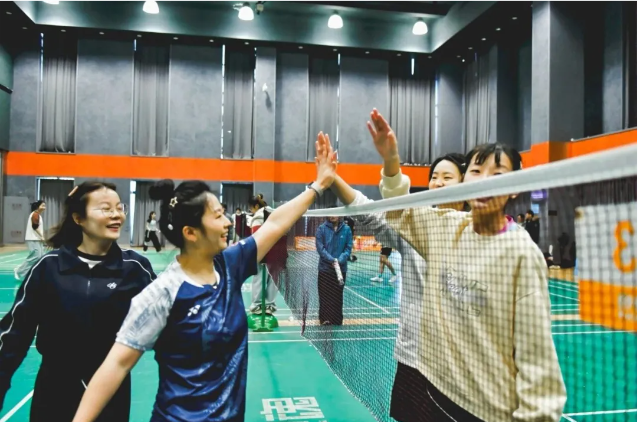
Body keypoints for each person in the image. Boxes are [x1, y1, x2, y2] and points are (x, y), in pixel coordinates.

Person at [71, 133, 337, 422]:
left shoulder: (231, 265)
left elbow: (275, 224)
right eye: (218, 216)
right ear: (191, 232)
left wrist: (318, 185)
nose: (228, 222)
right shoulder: (163, 293)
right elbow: (116, 365)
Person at [368, 108, 566, 422]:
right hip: (434, 391)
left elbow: (536, 354)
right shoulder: (445, 227)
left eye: (497, 175)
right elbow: (400, 211)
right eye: (476, 171)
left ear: (514, 186)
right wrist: (391, 161)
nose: (483, 181)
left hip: (486, 410)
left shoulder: (520, 253)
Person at [328, 135, 467, 421]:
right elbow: (368, 213)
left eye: (447, 177)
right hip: (414, 358)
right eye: (434, 177)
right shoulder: (414, 225)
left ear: (466, 185)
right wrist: (333, 179)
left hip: (460, 364)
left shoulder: (480, 235)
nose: (438, 183)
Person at [0, 182, 156, 422]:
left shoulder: (135, 268)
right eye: (105, 208)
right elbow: (14, 335)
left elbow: (170, 327)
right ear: (78, 218)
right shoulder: (48, 268)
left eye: (119, 207)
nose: (116, 214)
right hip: (54, 390)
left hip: (111, 391)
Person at [315, 216, 353, 325]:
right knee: (324, 295)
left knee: (338, 295)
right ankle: (325, 319)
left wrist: (339, 260)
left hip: (341, 269)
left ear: (339, 215)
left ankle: (337, 319)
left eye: (335, 213)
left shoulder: (347, 229)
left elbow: (348, 248)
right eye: (330, 213)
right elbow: (320, 248)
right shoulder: (321, 229)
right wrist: (331, 260)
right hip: (325, 269)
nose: (333, 216)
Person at [247, 194, 278, 315]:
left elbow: (257, 238)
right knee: (273, 279)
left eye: (251, 208)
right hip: (276, 252)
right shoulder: (274, 213)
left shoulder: (258, 217)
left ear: (256, 206)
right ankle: (270, 305)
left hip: (263, 252)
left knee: (259, 278)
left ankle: (257, 305)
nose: (251, 211)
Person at [14, 200, 47, 281]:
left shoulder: (38, 215)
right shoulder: (35, 214)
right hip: (33, 239)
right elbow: (35, 227)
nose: (44, 207)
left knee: (40, 256)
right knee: (35, 256)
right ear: (38, 206)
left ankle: (36, 273)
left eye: (45, 206)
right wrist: (42, 236)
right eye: (42, 205)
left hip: (37, 239)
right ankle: (19, 271)